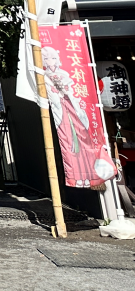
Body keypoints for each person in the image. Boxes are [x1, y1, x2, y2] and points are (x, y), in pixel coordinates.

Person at [41, 46, 117, 188]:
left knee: (84, 143)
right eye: (46, 58)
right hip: (63, 113)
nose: (49, 61)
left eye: (52, 57)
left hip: (73, 111)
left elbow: (72, 91)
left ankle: (91, 176)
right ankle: (78, 177)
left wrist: (65, 92)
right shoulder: (44, 76)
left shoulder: (64, 73)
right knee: (71, 146)